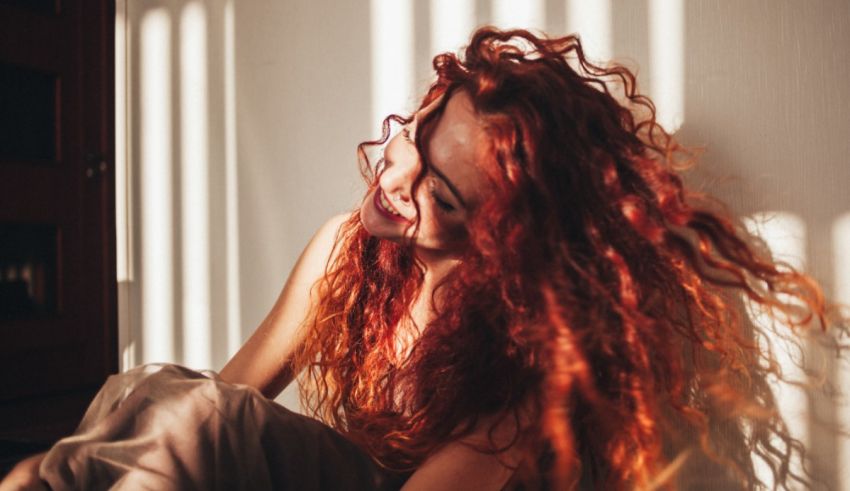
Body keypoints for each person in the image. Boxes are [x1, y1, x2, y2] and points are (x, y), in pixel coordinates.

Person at [2, 26, 845, 490]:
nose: (396, 176)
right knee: (143, 405)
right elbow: (212, 404)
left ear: (503, 240)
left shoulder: (528, 355)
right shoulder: (344, 250)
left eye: (442, 195)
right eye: (415, 133)